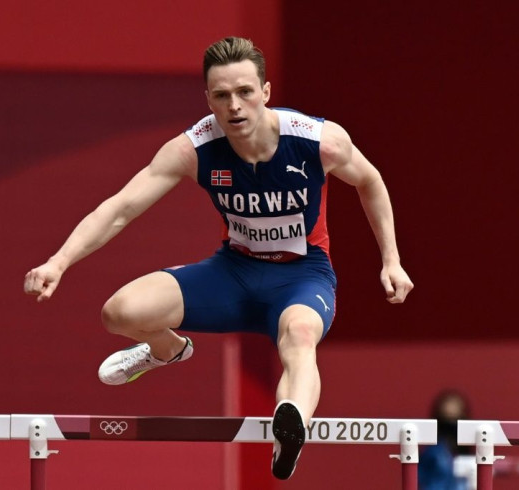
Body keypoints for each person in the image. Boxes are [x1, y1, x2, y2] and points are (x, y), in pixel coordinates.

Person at [23, 36, 413, 480]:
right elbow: (121, 208)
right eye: (222, 96)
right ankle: (166, 351)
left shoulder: (318, 141)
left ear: (265, 92)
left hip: (301, 277)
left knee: (300, 337)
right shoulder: (193, 149)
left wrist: (391, 259)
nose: (235, 106)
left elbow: (371, 181)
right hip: (234, 273)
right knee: (119, 312)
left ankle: (291, 427)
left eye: (245, 92)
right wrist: (59, 261)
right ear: (208, 100)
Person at [418, 390, 472, 490]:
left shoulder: (469, 452)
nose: (450, 425)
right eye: (446, 419)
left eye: (455, 419)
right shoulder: (432, 453)